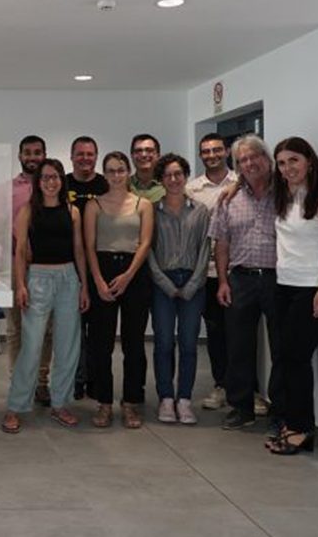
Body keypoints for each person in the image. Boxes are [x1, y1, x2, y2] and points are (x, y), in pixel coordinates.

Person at [265, 137, 318, 455]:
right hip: (285, 286)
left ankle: (301, 429)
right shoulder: (284, 195)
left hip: (316, 288)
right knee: (284, 358)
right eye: (282, 163)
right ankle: (291, 424)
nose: (288, 168)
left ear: (309, 161)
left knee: (296, 358)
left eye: (294, 161)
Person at [2, 159, 90, 433]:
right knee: (31, 347)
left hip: (68, 280)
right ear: (38, 182)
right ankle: (15, 406)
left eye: (55, 177)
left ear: (62, 181)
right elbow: (20, 251)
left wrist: (84, 285)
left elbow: (79, 249)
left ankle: (60, 404)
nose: (51, 182)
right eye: (45, 177)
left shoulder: (73, 211)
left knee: (67, 346)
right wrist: (21, 285)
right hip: (37, 279)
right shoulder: (28, 211)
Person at [208, 134, 283, 432]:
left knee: (281, 347)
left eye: (254, 157)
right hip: (240, 278)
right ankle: (241, 407)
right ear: (237, 166)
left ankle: (281, 410)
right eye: (242, 160)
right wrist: (222, 281)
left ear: (267, 158)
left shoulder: (286, 192)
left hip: (279, 279)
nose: (249, 163)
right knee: (238, 346)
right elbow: (221, 243)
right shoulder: (229, 199)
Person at [85, 151, 154, 428]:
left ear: (128, 172)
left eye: (121, 170)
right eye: (111, 170)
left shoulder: (142, 204)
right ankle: (104, 402)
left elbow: (145, 243)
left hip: (134, 273)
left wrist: (127, 276)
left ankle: (131, 403)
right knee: (101, 343)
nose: (116, 175)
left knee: (133, 343)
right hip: (102, 270)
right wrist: (98, 281)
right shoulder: (94, 205)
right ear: (105, 174)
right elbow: (89, 246)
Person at [147, 154, 211, 425]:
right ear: (160, 180)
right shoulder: (151, 211)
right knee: (163, 342)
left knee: (188, 343)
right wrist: (164, 283)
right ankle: (166, 398)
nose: (173, 179)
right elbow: (147, 251)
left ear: (185, 176)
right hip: (161, 282)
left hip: (193, 282)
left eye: (178, 174)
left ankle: (184, 398)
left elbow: (205, 249)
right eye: (167, 175)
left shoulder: (200, 211)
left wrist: (193, 284)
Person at [186, 133, 239, 411]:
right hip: (207, 272)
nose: (211, 155)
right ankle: (221, 385)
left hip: (238, 269)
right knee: (216, 332)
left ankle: (248, 389)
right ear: (200, 155)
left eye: (217, 150)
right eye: (206, 151)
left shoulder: (242, 182)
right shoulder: (192, 189)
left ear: (227, 151)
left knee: (242, 333)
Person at [6, 135, 55, 406]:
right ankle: (18, 382)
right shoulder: (8, 189)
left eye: (37, 152)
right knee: (16, 328)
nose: (32, 157)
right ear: (20, 156)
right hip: (16, 267)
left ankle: (41, 382)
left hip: (48, 268)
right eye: (28, 152)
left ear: (44, 155)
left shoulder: (53, 186)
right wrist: (21, 251)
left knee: (46, 329)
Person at [66, 136, 109, 401]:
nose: (85, 158)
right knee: (73, 330)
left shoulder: (105, 185)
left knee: (99, 330)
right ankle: (76, 380)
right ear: (71, 157)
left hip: (101, 267)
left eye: (90, 154)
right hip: (69, 266)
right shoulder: (63, 184)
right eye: (80, 154)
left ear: (96, 156)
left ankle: (95, 380)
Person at [129, 134, 166, 203]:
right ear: (132, 156)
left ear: (158, 155)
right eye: (138, 151)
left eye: (149, 150)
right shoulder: (123, 186)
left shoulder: (169, 185)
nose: (144, 155)